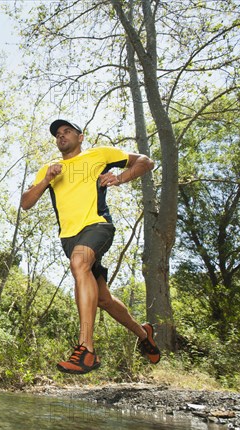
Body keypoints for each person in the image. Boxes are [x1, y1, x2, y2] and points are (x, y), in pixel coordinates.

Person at [21, 119, 161, 374]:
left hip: (98, 225)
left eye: (67, 131)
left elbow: (145, 161)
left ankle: (86, 350)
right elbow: (26, 202)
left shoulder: (100, 154)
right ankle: (144, 334)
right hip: (69, 238)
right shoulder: (49, 168)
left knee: (79, 263)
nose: (61, 136)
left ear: (80, 136)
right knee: (104, 299)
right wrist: (46, 180)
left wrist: (119, 178)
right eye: (57, 134)